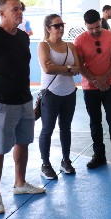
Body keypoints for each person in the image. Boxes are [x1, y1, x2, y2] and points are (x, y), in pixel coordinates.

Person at [0, 0, 46, 215]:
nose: (19, 12)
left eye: (20, 9)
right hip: (0, 103)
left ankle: (20, 183)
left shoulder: (22, 37)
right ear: (2, 13)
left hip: (24, 100)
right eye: (15, 9)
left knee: (23, 142)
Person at [74, 9, 111, 169]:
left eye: (97, 27)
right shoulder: (79, 40)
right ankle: (99, 156)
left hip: (109, 86)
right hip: (89, 88)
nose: (94, 31)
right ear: (85, 25)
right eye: (90, 28)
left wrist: (104, 79)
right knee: (95, 122)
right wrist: (95, 81)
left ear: (101, 22)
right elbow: (81, 65)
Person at [37, 14, 81, 179]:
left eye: (62, 25)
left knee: (66, 128)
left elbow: (77, 68)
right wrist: (69, 68)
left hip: (69, 92)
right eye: (57, 26)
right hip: (50, 93)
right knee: (47, 129)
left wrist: (62, 68)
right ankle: (45, 164)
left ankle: (66, 161)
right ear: (48, 28)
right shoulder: (43, 45)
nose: (61, 28)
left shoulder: (70, 45)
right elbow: (48, 69)